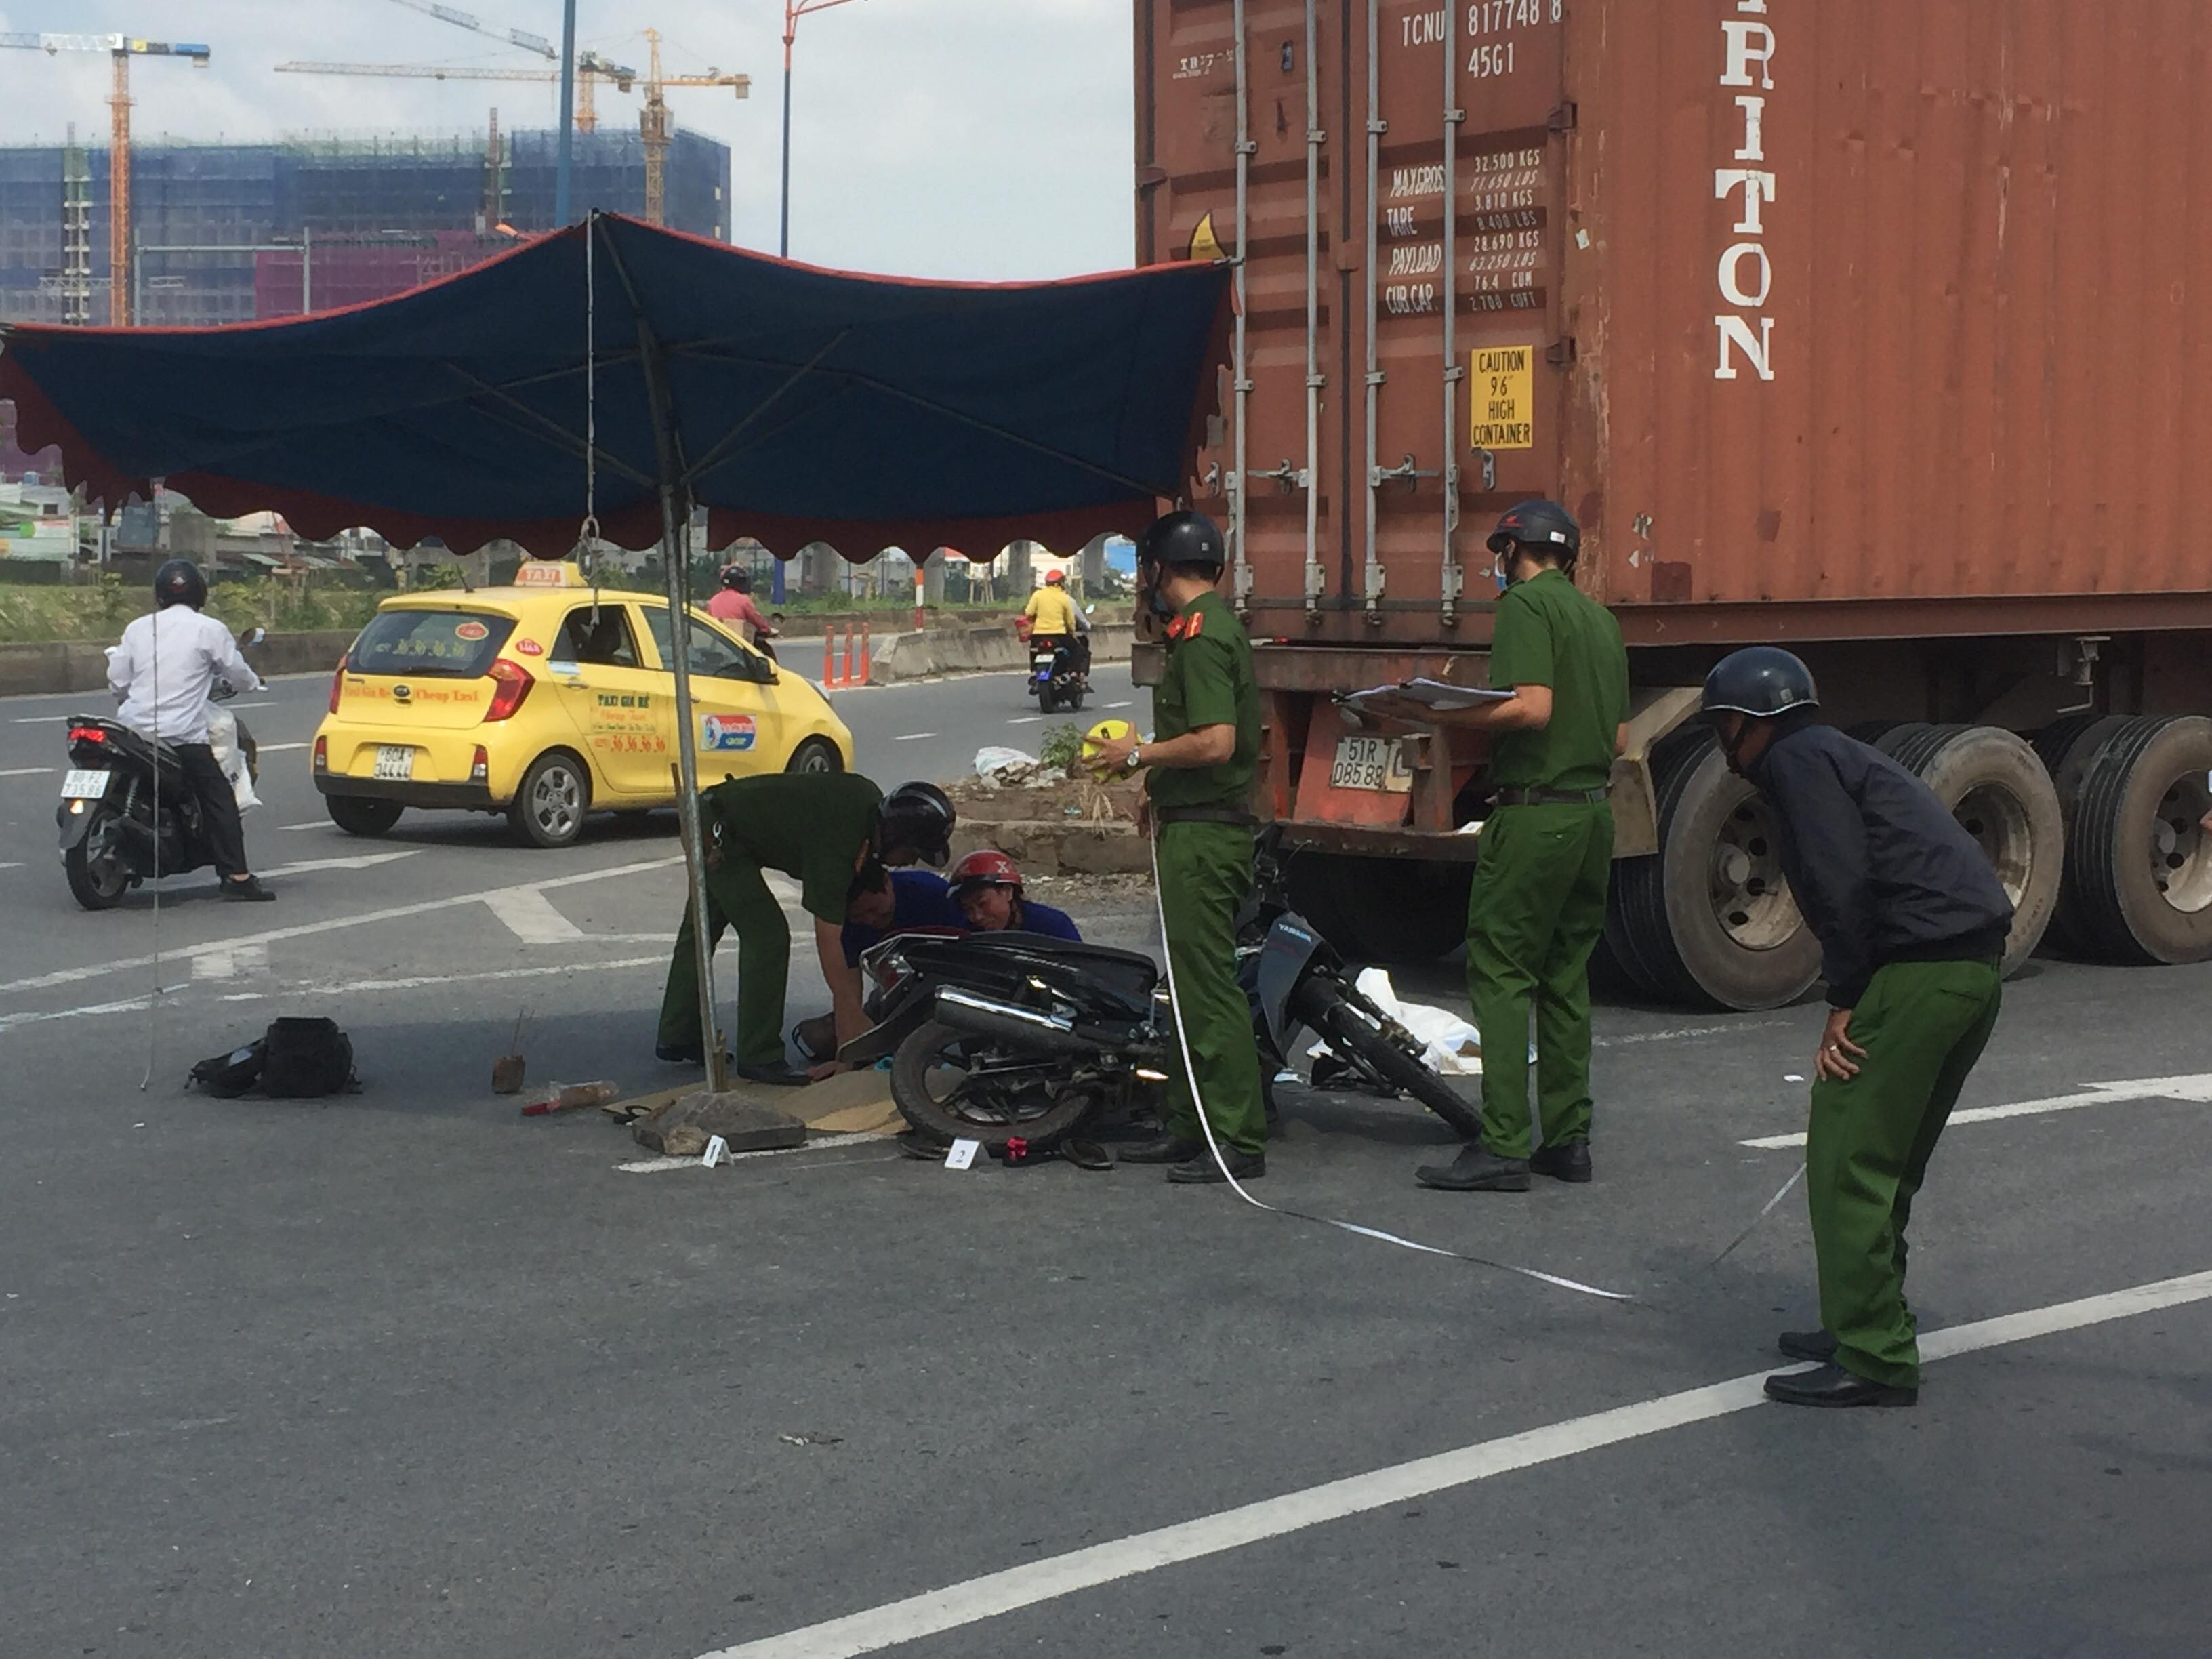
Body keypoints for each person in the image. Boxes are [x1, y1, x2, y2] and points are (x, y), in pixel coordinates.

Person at [1703, 648, 2013, 1409]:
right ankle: (1860, 1319)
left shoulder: (1797, 762)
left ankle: (1875, 1354)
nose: (1722, 742)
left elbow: (1838, 878)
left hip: (1918, 973)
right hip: (1968, 972)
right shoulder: (1835, 751)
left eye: (1722, 725)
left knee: (1849, 1159)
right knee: (1886, 1162)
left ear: (1746, 722)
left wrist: (1844, 997)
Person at [1374, 501, 1628, 1193]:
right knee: (1566, 975)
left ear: (1514, 552)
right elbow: (1617, 738)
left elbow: (1532, 707)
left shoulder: (1524, 607)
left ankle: (1505, 1141)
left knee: (1501, 971)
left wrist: (1437, 712)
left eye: (1502, 553)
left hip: (1536, 816)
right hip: (1591, 814)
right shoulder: (1600, 620)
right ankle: (1568, 1140)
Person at [1093, 510, 1266, 1183]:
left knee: (1208, 986)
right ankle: (1191, 1125)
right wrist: (1157, 785)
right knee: (1189, 988)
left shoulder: (1201, 636)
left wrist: (1138, 755)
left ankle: (1235, 1137)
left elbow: (1216, 742)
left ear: (1158, 568)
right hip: (1193, 819)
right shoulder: (1207, 628)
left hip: (1205, 836)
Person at [655, 775, 956, 1083]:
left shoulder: (866, 810)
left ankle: (677, 1033)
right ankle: (759, 1055)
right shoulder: (839, 843)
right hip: (719, 835)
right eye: (912, 853)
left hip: (717, 817)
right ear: (892, 836)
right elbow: (831, 941)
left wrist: (852, 1025)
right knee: (767, 934)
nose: (910, 863)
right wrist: (851, 1022)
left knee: (702, 928)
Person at [108, 559, 275, 903]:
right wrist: (251, 683)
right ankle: (237, 876)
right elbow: (238, 673)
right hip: (180, 735)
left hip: (132, 731)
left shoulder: (137, 628)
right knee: (219, 797)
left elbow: (118, 682)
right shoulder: (209, 629)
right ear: (201, 593)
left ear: (159, 594)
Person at [946, 848, 1082, 940]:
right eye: (968, 909)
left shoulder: (1054, 927)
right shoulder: (967, 934)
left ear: (1007, 892)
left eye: (982, 904)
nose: (977, 916)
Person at [1021, 569, 1089, 681]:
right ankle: (1073, 673)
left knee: (1034, 649)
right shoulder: (1064, 598)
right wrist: (1071, 632)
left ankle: (1034, 671)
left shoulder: (1038, 595)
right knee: (1077, 650)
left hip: (1038, 635)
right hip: (1059, 635)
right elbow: (1070, 620)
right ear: (1061, 583)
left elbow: (1029, 612)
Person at [708, 566, 775, 647]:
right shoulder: (743, 600)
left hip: (718, 642)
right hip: (738, 644)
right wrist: (766, 629)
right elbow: (756, 618)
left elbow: (709, 620)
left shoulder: (713, 600)